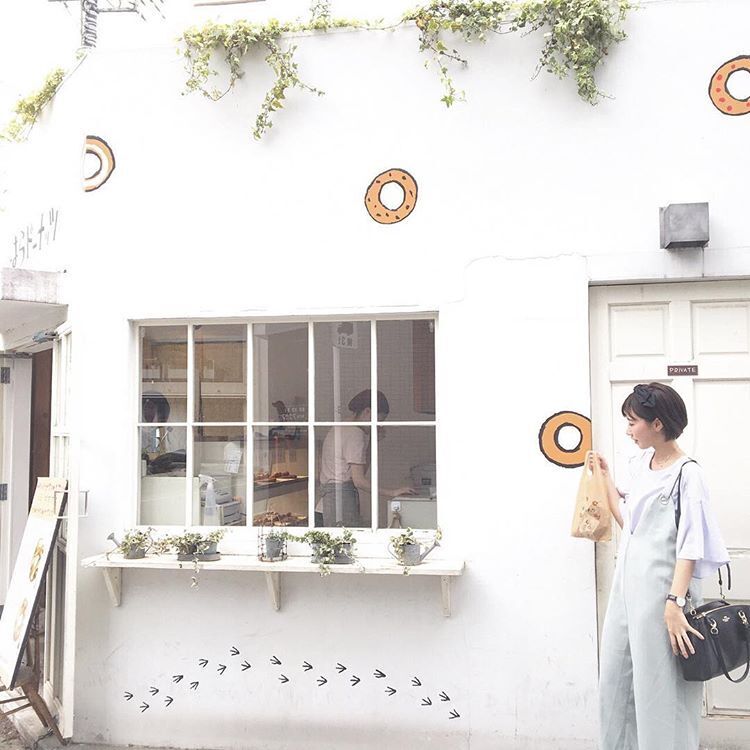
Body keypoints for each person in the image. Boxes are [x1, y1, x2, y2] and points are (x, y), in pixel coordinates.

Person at [597, 383, 729, 750]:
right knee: (618, 682)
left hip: (664, 595)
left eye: (632, 422)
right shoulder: (642, 465)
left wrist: (674, 603)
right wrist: (605, 478)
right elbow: (630, 524)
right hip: (627, 591)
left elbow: (691, 546)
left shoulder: (688, 474)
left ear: (657, 424)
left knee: (661, 690)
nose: (628, 430)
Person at [316, 389, 414, 527]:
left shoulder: (339, 427)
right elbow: (359, 481)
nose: (378, 425)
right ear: (367, 411)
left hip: (324, 506)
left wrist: (373, 440)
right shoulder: (355, 434)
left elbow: (359, 471)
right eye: (378, 420)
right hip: (340, 504)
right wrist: (392, 492)